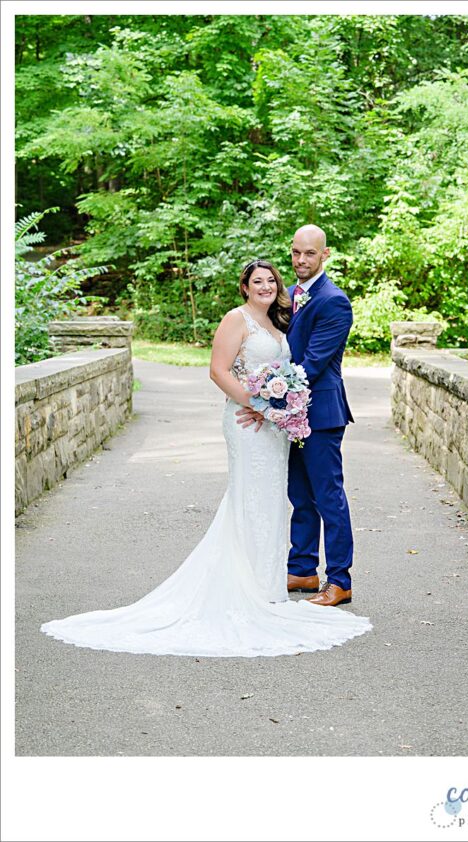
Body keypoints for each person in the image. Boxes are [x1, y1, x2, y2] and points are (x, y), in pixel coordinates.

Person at [40, 259, 371, 657]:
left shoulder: (280, 320)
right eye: (257, 281)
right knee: (252, 497)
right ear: (244, 287)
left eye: (271, 280)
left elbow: (303, 365)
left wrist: (273, 405)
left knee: (274, 500)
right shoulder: (238, 319)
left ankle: (275, 583)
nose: (265, 286)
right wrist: (259, 404)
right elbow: (218, 371)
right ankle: (257, 582)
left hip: (274, 424)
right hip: (250, 422)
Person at [237, 225, 357, 607]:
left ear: (325, 255)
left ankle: (339, 580)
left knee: (328, 496)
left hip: (320, 413)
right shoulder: (290, 296)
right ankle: (303, 568)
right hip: (290, 416)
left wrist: (267, 401)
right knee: (300, 496)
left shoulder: (334, 301)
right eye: (295, 253)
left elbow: (312, 364)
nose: (300, 260)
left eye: (309, 253)